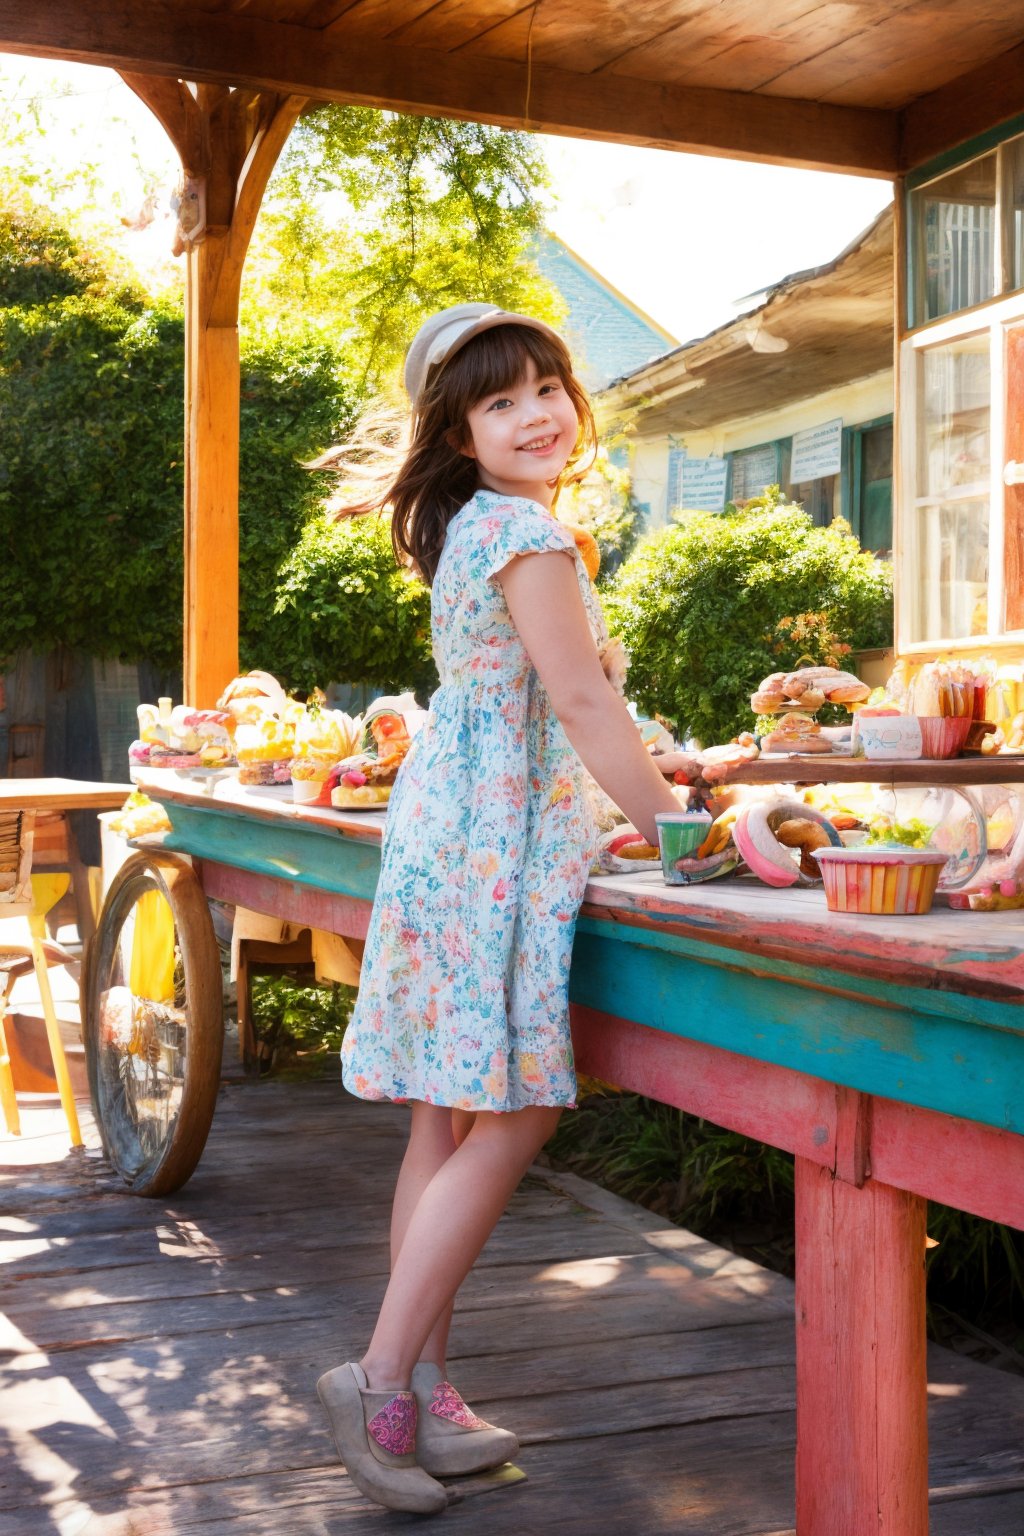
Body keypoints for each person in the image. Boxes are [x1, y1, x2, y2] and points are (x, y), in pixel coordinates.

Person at [317, 303, 683, 1515]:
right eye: (498, 400)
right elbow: (580, 704)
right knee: (514, 1115)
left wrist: (643, 790)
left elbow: (545, 706)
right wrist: (677, 832)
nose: (536, 415)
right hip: (494, 852)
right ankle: (375, 1381)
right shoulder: (526, 535)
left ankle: (422, 1391)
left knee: (443, 1125)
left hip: (450, 838)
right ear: (458, 430)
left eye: (547, 387)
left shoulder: (475, 525)